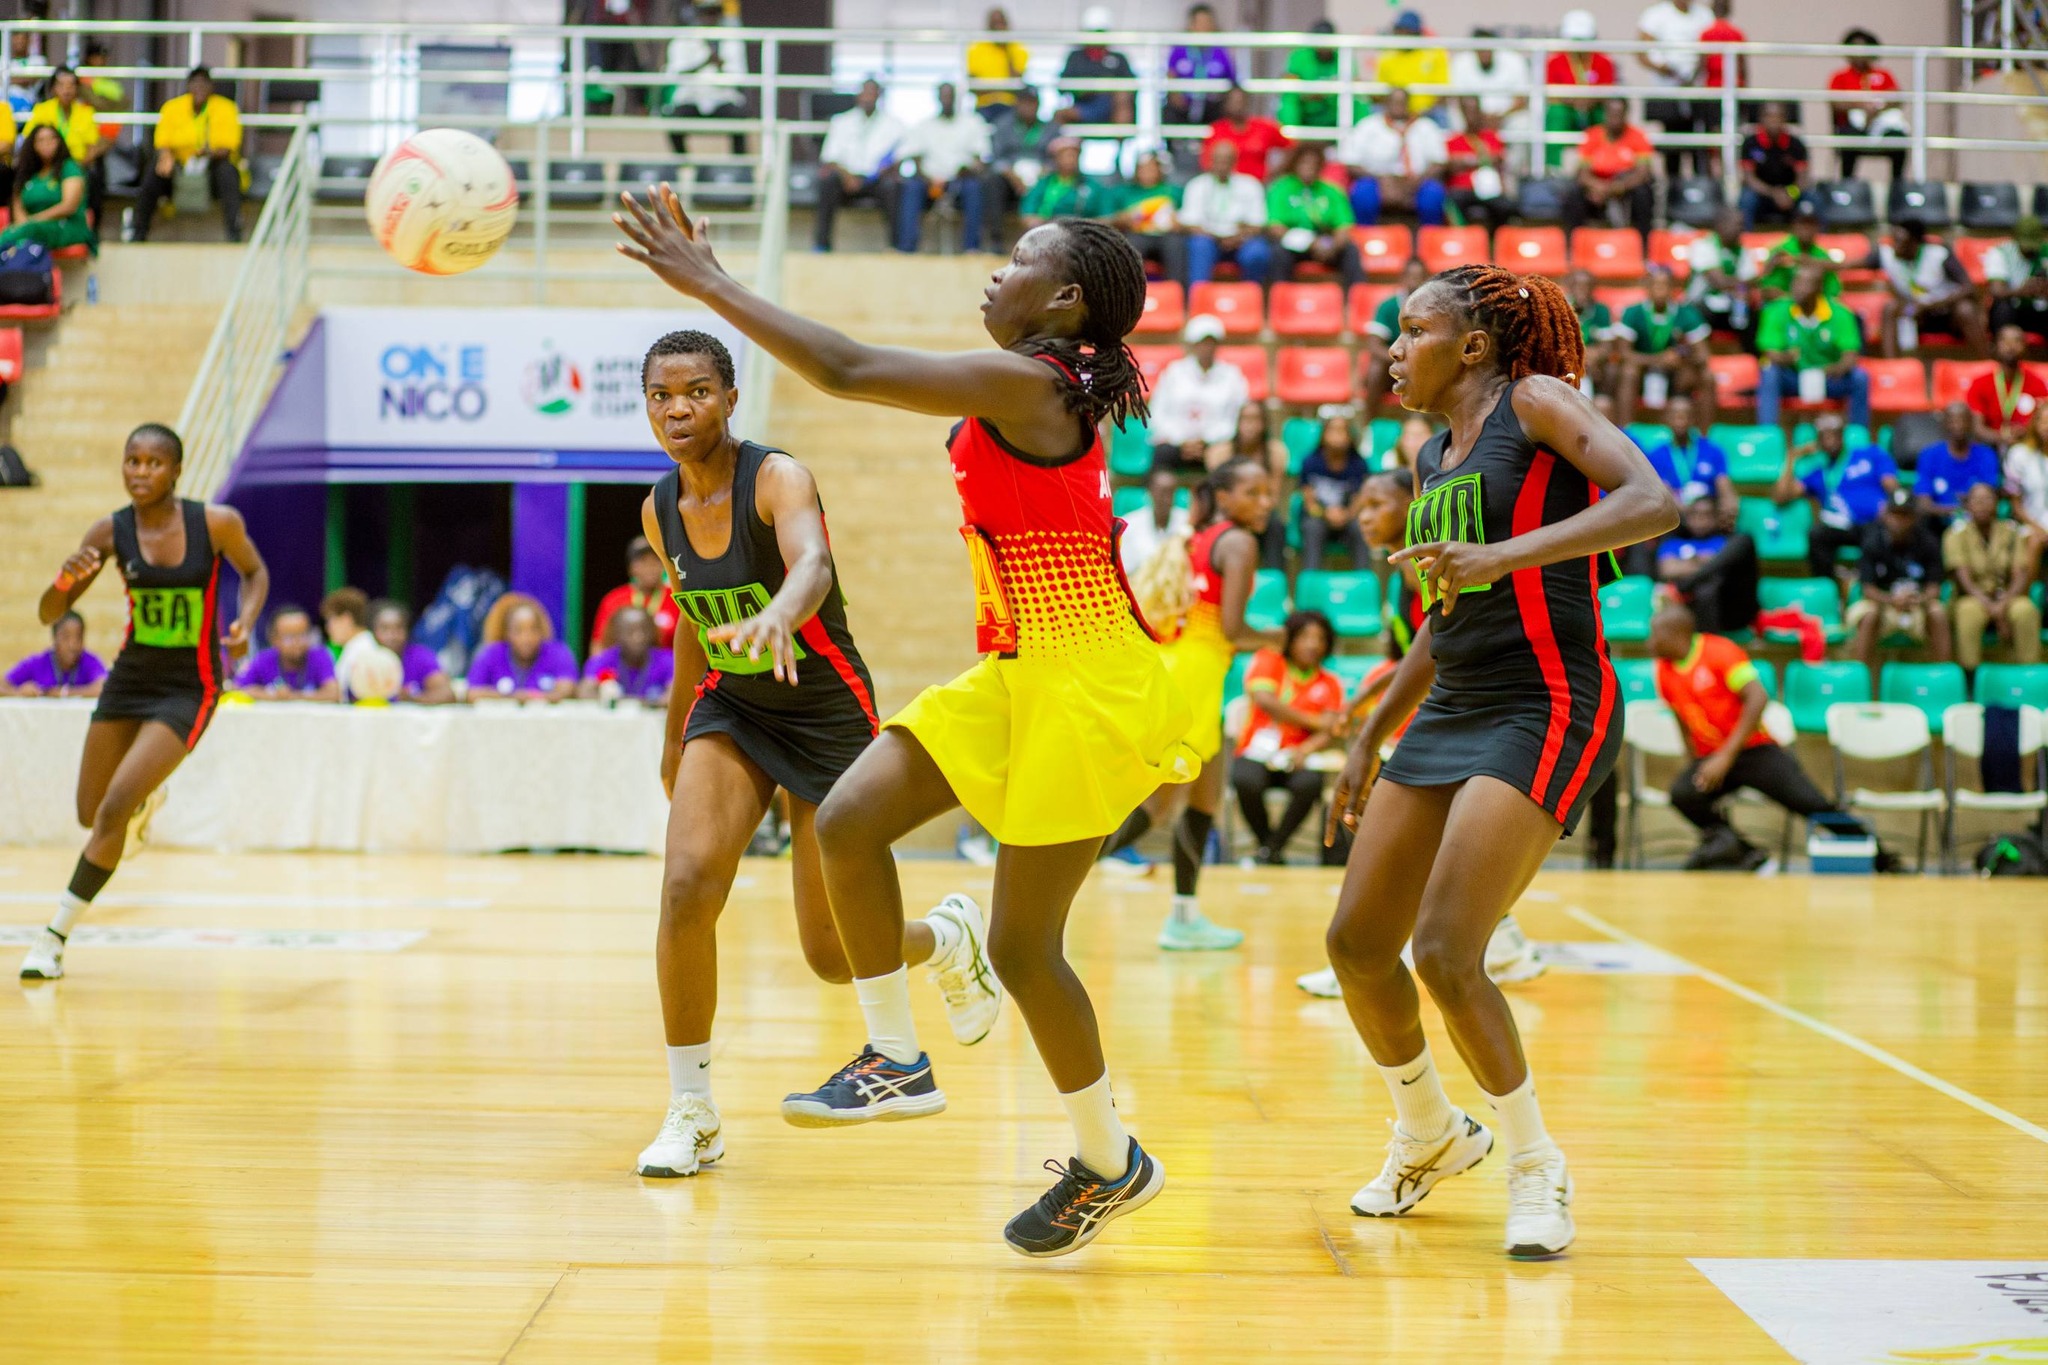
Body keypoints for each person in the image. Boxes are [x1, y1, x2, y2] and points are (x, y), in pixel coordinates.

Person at [616, 189, 1195, 1254]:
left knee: (1025, 951)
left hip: (1085, 681)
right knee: (847, 820)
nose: (996, 270)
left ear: (1065, 299)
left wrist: (710, 283)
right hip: (1018, 669)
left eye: (1018, 258)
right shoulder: (1033, 380)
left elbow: (845, 367)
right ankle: (897, 1057)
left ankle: (1109, 1159)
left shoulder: (1031, 381)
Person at [1321, 265, 1676, 1258]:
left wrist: (1506, 556)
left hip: (1547, 698)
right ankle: (1429, 1131)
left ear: (1471, 345)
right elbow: (1441, 621)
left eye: (1411, 330)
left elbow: (1653, 501)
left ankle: (1534, 1163)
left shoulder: (1536, 402)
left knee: (1443, 949)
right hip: (1454, 702)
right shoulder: (1431, 457)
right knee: (1356, 945)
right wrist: (1368, 736)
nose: (1393, 350)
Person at [621, 327, 998, 1180]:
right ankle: (693, 1109)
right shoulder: (657, 507)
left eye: (697, 392)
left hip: (825, 709)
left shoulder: (778, 477)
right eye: (660, 396)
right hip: (734, 707)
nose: (678, 409)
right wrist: (676, 732)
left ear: (730, 398)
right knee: (685, 886)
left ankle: (945, 936)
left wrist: (781, 613)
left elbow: (814, 563)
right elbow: (691, 624)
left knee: (832, 954)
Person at [18, 423, 268, 982]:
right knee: (90, 812)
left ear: (176, 471)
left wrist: (246, 622)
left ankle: (53, 938)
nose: (141, 471)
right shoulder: (110, 531)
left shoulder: (216, 523)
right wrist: (65, 583)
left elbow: (255, 572)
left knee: (111, 812)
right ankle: (143, 798)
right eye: (132, 461)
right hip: (130, 679)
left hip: (190, 685)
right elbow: (48, 612)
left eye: (154, 463)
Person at [1109, 459, 1279, 949]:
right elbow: (1233, 630)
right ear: (1223, 497)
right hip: (1196, 677)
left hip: (1181, 668)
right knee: (1160, 802)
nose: (1265, 502)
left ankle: (1184, 917)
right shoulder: (1239, 541)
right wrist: (1281, 638)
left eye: (1268, 492)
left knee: (1205, 796)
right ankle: (1052, 885)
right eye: (1253, 492)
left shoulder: (1197, 537)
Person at [1648, 599, 1869, 871]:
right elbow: (1682, 719)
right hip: (1713, 757)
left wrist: (1726, 756)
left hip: (1753, 750)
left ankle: (1880, 856)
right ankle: (1745, 852)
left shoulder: (1720, 652)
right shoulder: (1664, 670)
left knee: (1811, 803)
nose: (1650, 642)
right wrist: (1695, 761)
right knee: (1684, 794)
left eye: (1655, 635)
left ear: (1677, 634)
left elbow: (1758, 697)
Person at [1231, 609, 1344, 863]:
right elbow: (1265, 701)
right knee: (1245, 780)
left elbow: (1330, 730)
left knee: (1310, 784)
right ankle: (1269, 847)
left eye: (1320, 638)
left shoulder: (1330, 683)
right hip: (1257, 752)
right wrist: (1314, 721)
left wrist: (1305, 750)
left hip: (1298, 755)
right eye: (1305, 637)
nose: (1313, 644)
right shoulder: (1269, 660)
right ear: (1290, 639)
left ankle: (1272, 848)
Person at [1847, 487, 1952, 687]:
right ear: (1886, 515)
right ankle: (1858, 682)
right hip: (1883, 603)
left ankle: (1943, 681)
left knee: (1938, 613)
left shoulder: (1928, 542)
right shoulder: (1872, 541)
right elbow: (1867, 589)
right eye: (1894, 514)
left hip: (1917, 604)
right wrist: (1891, 600)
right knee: (1869, 615)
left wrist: (1917, 600)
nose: (1898, 520)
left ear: (1914, 517)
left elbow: (1934, 588)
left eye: (1904, 515)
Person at [1774, 410, 1898, 576]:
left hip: (1874, 522)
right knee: (1816, 534)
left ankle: (1868, 583)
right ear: (1818, 440)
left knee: (1877, 533)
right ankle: (1829, 586)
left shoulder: (1869, 454)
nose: (1829, 440)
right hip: (1841, 526)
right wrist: (1792, 457)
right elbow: (1780, 497)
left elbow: (1892, 486)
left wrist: (1891, 507)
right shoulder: (1819, 473)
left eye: (1833, 434)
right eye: (1823, 436)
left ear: (1842, 435)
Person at [1754, 260, 1870, 429]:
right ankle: (1768, 433)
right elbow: (1770, 353)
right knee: (1770, 373)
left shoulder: (1840, 313)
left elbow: (1850, 357)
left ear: (1819, 288)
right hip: (1794, 376)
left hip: (1828, 378)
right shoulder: (1776, 310)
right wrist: (1787, 358)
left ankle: (1858, 434)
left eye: (1805, 284)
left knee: (1859, 378)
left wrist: (1835, 369)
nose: (1798, 288)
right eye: (1795, 282)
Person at [131, 67, 243, 243]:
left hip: (211, 165)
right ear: (188, 86)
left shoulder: (226, 108)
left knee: (228, 172)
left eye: (204, 84)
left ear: (211, 86)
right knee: (155, 171)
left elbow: (227, 147)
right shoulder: (172, 107)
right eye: (195, 83)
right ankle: (138, 231)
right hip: (179, 165)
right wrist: (166, 156)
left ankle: (234, 233)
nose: (200, 88)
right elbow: (162, 142)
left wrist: (205, 153)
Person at [1946, 482, 2043, 672]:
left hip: (2007, 596)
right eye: (1977, 500)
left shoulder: (2012, 532)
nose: (1982, 505)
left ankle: (2029, 673)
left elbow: (2020, 574)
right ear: (1968, 505)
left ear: (1997, 504)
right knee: (1967, 612)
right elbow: (1962, 578)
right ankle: (1970, 676)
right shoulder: (1956, 534)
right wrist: (1990, 607)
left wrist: (2002, 604)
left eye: (1987, 499)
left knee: (2026, 610)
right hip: (1973, 596)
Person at [893, 82, 995, 254]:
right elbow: (914, 156)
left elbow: (981, 159)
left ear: (956, 98)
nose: (947, 100)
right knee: (911, 187)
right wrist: (928, 178)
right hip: (928, 180)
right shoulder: (924, 125)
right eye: (944, 96)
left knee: (975, 187)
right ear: (938, 98)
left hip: (961, 180)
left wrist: (967, 170)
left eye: (950, 96)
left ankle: (972, 247)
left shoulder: (972, 122)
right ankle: (906, 247)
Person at [1613, 265, 1712, 426]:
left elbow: (1703, 354)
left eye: (1665, 284)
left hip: (1675, 371)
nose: (1660, 289)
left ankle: (1703, 434)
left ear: (1673, 288)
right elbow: (1624, 353)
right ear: (1647, 287)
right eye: (1656, 284)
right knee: (1628, 372)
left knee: (1705, 375)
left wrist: (1683, 359)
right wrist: (1659, 359)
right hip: (1643, 370)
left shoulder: (1687, 313)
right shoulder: (1633, 313)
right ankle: (1626, 431)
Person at [1148, 314, 1248, 473]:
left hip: (1216, 446)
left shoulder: (1232, 375)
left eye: (1211, 342)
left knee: (1226, 459)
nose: (1206, 347)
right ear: (1192, 344)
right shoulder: (1174, 372)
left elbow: (1236, 418)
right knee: (1161, 461)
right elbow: (1157, 414)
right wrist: (1182, 441)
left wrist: (1207, 440)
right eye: (1201, 342)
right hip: (1175, 445)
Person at [813, 80, 902, 253]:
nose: (868, 97)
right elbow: (830, 157)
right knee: (827, 183)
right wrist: (847, 177)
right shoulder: (841, 121)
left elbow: (898, 156)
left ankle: (894, 247)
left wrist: (885, 170)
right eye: (865, 93)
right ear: (858, 95)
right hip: (846, 178)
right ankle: (822, 245)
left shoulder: (893, 124)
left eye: (872, 93)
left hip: (876, 180)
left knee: (893, 186)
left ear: (878, 96)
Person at [1337, 87, 1448, 227]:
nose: (1398, 106)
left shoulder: (1426, 126)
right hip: (1377, 180)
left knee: (1433, 194)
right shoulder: (1368, 126)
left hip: (1418, 181)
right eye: (1394, 102)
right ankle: (1364, 236)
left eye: (1402, 102)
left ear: (1409, 103)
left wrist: (1416, 181)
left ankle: (1430, 237)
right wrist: (1381, 180)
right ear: (1385, 103)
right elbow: (1351, 162)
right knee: (1362, 193)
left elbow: (1439, 162)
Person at [1879, 220, 1988, 359]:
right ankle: (1891, 367)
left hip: (1947, 312)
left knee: (1965, 309)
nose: (1894, 246)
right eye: (1894, 240)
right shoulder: (1889, 255)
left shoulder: (1938, 254)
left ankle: (1987, 362)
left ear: (1914, 243)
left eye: (1900, 241)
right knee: (1890, 308)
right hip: (1919, 315)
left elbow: (1969, 289)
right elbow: (1859, 262)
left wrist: (1932, 304)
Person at [1656, 494, 1758, 634]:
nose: (1700, 520)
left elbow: (1722, 568)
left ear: (1716, 517)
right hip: (1685, 604)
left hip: (1725, 606)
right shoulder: (1674, 542)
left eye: (1706, 515)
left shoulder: (1726, 541)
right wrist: (1702, 561)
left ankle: (1707, 638)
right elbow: (1667, 570)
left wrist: (1688, 565)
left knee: (1744, 541)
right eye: (1695, 514)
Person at [1635, 0, 1714, 179]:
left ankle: (1701, 188)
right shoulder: (1655, 15)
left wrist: (1693, 76)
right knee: (1672, 146)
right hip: (1667, 91)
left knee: (1699, 146)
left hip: (1696, 90)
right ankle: (1672, 189)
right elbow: (1642, 52)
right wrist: (1664, 69)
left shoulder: (1704, 15)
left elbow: (1708, 51)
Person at [1561, 98, 1655, 247]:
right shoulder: (1593, 135)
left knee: (1643, 193)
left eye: (1619, 114)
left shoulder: (1637, 136)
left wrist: (1619, 187)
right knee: (1573, 194)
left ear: (1626, 114)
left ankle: (1643, 246)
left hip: (1626, 188)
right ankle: (1572, 246)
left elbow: (1643, 173)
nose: (1615, 118)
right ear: (1605, 114)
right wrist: (1598, 187)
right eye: (1612, 114)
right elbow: (1582, 173)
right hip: (1597, 187)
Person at [1265, 143, 1362, 288]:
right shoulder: (1281, 188)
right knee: (1278, 252)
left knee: (1350, 251)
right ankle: (1281, 295)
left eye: (1314, 164)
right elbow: (1275, 227)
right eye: (1304, 162)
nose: (1309, 167)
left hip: (1325, 242)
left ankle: (1356, 296)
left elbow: (1344, 226)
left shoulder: (1332, 190)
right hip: (1293, 241)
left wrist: (1333, 246)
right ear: (1295, 164)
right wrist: (1309, 243)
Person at [658, 0, 748, 157]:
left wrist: (720, 67)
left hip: (722, 97)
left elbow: (739, 77)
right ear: (697, 15)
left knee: (739, 116)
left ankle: (738, 165)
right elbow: (675, 74)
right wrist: (704, 63)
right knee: (674, 118)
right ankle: (683, 162)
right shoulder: (684, 39)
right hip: (692, 96)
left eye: (714, 13)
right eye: (705, 13)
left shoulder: (732, 39)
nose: (709, 17)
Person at [1178, 137, 1271, 285]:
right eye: (1218, 160)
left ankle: (1252, 296)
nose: (1222, 165)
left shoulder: (1250, 184)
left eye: (1226, 160)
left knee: (1257, 251)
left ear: (1235, 161)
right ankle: (1197, 295)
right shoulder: (1196, 185)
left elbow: (1258, 224)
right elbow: (1190, 223)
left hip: (1242, 241)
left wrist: (1237, 237)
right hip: (1209, 240)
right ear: (1210, 160)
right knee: (1199, 245)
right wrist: (1217, 237)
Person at [26, 66, 108, 227]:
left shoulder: (85, 112)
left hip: (77, 165)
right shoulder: (42, 110)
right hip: (45, 166)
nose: (67, 90)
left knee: (96, 174)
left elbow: (92, 148)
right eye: (62, 85)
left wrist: (74, 168)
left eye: (71, 85)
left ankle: (91, 229)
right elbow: (30, 143)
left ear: (77, 89)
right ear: (53, 88)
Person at [0, 123, 96, 256]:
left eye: (52, 138)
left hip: (65, 226)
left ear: (60, 142)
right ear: (32, 145)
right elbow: (18, 208)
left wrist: (33, 220)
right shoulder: (27, 173)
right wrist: (25, 225)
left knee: (25, 232)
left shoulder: (69, 167)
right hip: (30, 228)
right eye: (41, 140)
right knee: (15, 233)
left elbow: (68, 206)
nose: (47, 143)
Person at [1827, 29, 1908, 182]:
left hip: (1880, 125)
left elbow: (1896, 98)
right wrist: (1860, 106)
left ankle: (1897, 186)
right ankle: (1848, 185)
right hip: (1853, 127)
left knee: (1899, 138)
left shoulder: (1883, 74)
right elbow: (1836, 103)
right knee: (1848, 139)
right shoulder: (1840, 77)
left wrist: (1877, 109)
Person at [1543, 10, 1617, 172]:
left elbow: (1608, 92)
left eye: (1583, 40)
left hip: (1593, 109)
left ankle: (1605, 166)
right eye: (1575, 40)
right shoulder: (1555, 61)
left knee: (1605, 115)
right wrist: (1574, 100)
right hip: (1568, 109)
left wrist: (1589, 100)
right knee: (1557, 113)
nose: (1579, 45)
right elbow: (1551, 94)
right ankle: (1553, 168)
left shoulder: (1603, 61)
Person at [1297, 412, 1372, 569]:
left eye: (1342, 430)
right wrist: (1326, 514)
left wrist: (1346, 515)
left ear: (1350, 436)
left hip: (1348, 519)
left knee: (1360, 527)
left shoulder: (1359, 464)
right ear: (1323, 435)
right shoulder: (1310, 462)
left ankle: (1364, 577)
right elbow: (1309, 502)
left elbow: (1359, 501)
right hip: (1319, 517)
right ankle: (1310, 577)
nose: (1338, 435)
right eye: (1333, 430)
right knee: (1312, 527)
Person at [466, 598, 579, 701]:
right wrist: (515, 697)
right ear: (507, 633)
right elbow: (472, 693)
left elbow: (567, 690)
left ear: (541, 631)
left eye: (533, 630)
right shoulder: (491, 654)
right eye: (518, 631)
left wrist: (530, 697)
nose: (526, 638)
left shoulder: (558, 653)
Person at [1101, 149, 1186, 285]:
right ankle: (1128, 288)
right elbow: (1107, 219)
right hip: (1136, 234)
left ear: (1160, 169)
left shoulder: (1174, 191)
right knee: (1130, 245)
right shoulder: (1123, 192)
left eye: (1152, 168)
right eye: (1143, 168)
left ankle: (1177, 290)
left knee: (1176, 245)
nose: (1147, 172)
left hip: (1167, 235)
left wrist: (1179, 221)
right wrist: (1122, 219)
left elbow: (1187, 216)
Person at [1448, 30, 1530, 166]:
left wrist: (1501, 116)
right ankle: (1465, 168)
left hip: (1504, 117)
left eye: (1488, 49)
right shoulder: (1461, 63)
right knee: (1455, 119)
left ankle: (1513, 169)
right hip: (1472, 117)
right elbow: (1458, 100)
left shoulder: (1514, 61)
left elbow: (1521, 100)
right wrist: (1479, 118)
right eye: (1481, 49)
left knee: (1523, 124)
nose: (1485, 53)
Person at [1644, 393, 1733, 516]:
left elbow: (1723, 484)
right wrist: (1689, 513)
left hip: (1710, 514)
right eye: (1675, 416)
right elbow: (1663, 491)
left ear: (1694, 419)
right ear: (1665, 419)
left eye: (1685, 415)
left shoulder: (1713, 450)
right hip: (1677, 516)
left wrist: (1729, 504)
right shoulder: (1656, 455)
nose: (1680, 421)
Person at [589, 534, 680, 653]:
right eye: (643, 561)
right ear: (630, 567)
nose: (650, 567)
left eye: (656, 560)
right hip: (623, 664)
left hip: (668, 664)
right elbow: (599, 645)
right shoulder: (614, 599)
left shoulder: (676, 597)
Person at [1362, 259, 1432, 411]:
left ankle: (1438, 423)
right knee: (1375, 369)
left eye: (1419, 277)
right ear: (1402, 278)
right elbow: (1374, 346)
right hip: (1393, 366)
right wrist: (1402, 360)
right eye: (1411, 276)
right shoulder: (1388, 306)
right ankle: (1368, 420)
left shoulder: (1434, 309)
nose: (1415, 281)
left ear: (1426, 280)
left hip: (1424, 365)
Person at [1914, 401, 2004, 517]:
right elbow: (1923, 502)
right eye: (1952, 421)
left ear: (1971, 424)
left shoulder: (1986, 455)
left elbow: (1988, 499)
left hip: (1977, 521)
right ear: (1944, 424)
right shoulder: (1929, 455)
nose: (1958, 426)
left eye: (1963, 420)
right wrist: (1957, 512)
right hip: (1938, 521)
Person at [1965, 325, 2048, 449]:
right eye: (2005, 341)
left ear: (2025, 347)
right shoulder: (1980, 384)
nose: (2011, 346)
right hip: (1990, 446)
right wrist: (2002, 438)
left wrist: (2024, 432)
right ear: (1995, 346)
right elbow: (1978, 429)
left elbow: (2043, 425)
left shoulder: (2037, 384)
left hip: (2026, 446)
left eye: (2016, 341)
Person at [235, 605, 340, 700]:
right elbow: (237, 688)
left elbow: (334, 693)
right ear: (274, 639)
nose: (297, 642)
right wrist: (272, 695)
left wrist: (293, 696)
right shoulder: (263, 659)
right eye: (289, 638)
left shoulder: (320, 656)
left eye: (303, 635)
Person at [985, 88, 1052, 236]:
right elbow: (996, 158)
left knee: (1057, 182)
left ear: (1039, 105)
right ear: (1017, 104)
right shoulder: (1002, 125)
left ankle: (1050, 237)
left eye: (1032, 103)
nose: (1029, 107)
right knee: (992, 181)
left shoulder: (1051, 128)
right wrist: (1013, 177)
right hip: (1011, 178)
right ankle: (996, 238)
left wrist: (1042, 174)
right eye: (1025, 103)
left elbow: (1054, 160)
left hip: (1041, 178)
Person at [1685, 206, 1757, 341]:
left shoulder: (1742, 250)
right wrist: (1743, 283)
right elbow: (1719, 282)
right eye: (1737, 224)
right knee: (1696, 315)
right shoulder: (1703, 245)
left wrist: (1742, 288)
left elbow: (1751, 282)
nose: (1741, 229)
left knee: (1753, 315)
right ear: (1721, 225)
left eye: (1742, 224)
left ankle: (1748, 353)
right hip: (1701, 304)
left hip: (1728, 305)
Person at [577, 605, 675, 702]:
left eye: (644, 630)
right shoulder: (603, 659)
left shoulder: (668, 660)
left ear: (653, 632)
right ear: (617, 634)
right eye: (630, 631)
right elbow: (584, 692)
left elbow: (674, 695)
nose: (638, 637)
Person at [1058, 7, 1136, 126]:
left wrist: (1108, 87)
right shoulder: (1075, 58)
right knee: (1060, 115)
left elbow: (1130, 88)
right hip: (1083, 105)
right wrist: (1085, 89)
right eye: (1092, 32)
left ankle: (1120, 135)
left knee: (1123, 102)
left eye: (1100, 32)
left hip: (1111, 107)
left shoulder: (1119, 58)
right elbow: (1062, 86)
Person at [1737, 102, 1808, 231]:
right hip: (1762, 194)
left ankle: (1819, 239)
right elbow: (1749, 179)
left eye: (1778, 116)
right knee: (1747, 199)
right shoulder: (1750, 143)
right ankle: (1745, 237)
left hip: (1789, 194)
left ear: (1785, 119)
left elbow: (1802, 179)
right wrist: (1773, 193)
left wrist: (1790, 193)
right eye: (1769, 116)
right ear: (1761, 119)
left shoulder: (1796, 144)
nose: (1774, 121)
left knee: (1813, 199)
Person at [570, 0, 650, 114]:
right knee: (602, 73)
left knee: (635, 71)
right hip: (604, 25)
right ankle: (602, 110)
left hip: (630, 26)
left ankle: (640, 108)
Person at [1443, 106, 1512, 233]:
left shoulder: (1491, 137)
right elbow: (1452, 164)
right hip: (1462, 189)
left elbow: (1498, 159)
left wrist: (1466, 160)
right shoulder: (1454, 140)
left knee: (1505, 205)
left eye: (1474, 112)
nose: (1472, 117)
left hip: (1489, 190)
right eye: (1468, 112)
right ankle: (1462, 236)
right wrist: (1482, 159)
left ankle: (1496, 238)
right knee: (1453, 201)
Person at [3, 611, 106, 698]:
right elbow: (2, 685)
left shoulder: (89, 661)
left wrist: (64, 692)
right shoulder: (37, 663)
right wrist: (18, 692)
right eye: (66, 637)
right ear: (54, 638)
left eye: (78, 638)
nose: (72, 645)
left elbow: (104, 688)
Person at [369, 599, 454, 704]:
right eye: (385, 629)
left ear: (407, 630)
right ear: (373, 632)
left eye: (398, 628)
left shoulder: (420, 657)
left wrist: (412, 698)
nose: (392, 636)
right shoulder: (363, 659)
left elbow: (447, 694)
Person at [1164, 4, 1236, 127]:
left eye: (1207, 22)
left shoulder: (1221, 52)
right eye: (1199, 22)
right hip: (1184, 105)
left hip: (1212, 105)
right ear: (1191, 25)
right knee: (1169, 113)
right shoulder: (1179, 50)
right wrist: (1176, 96)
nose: (1203, 27)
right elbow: (1171, 76)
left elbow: (1231, 81)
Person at [1754, 199, 1836, 303]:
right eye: (1802, 223)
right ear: (1794, 224)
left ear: (1818, 226)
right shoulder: (1780, 251)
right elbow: (1768, 290)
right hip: (1784, 308)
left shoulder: (1822, 254)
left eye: (1811, 223)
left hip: (1815, 310)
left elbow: (1833, 293)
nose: (1806, 228)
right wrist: (1797, 303)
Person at [1201, 85, 1287, 184]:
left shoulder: (1264, 127)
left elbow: (1292, 147)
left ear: (1247, 103)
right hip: (1226, 186)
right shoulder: (1217, 129)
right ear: (1226, 104)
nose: (1238, 106)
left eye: (1241, 101)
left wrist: (1275, 172)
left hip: (1259, 185)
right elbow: (1207, 163)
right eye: (1234, 101)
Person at [1376, 11, 1450, 121]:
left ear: (1417, 32)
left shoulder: (1434, 54)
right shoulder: (1387, 56)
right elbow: (1381, 95)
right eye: (1399, 30)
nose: (1402, 35)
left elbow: (1442, 94)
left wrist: (1420, 115)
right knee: (1375, 113)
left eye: (1406, 30)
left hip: (1427, 114)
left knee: (1440, 115)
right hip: (1395, 113)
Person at [1118, 466, 1193, 576]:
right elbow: (1125, 570)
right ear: (1150, 492)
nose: (1166, 499)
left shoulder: (1187, 521)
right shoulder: (1129, 525)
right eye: (1161, 493)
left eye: (1170, 493)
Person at [1985, 217, 2048, 340]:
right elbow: (1996, 291)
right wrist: (2022, 291)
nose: (2029, 250)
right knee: (2002, 307)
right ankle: (2002, 348)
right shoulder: (2001, 253)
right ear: (2015, 238)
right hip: (2013, 312)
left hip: (2040, 311)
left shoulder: (2045, 252)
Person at [1018, 138, 1103, 226]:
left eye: (1074, 155)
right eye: (1065, 156)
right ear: (1055, 158)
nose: (1070, 160)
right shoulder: (1042, 184)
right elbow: (1028, 212)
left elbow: (1104, 217)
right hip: (1046, 228)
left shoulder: (1092, 186)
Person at [1564, 267, 1618, 397]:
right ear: (1570, 288)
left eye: (1587, 286)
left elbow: (1607, 347)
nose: (1582, 289)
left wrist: (1595, 355)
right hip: (1568, 359)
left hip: (1594, 362)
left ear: (1593, 288)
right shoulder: (1560, 308)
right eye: (1578, 285)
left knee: (1611, 369)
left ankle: (1603, 403)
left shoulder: (1601, 310)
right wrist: (1582, 357)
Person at [965, 8, 1029, 116]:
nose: (998, 28)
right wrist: (1000, 90)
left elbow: (1017, 82)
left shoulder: (1019, 49)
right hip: (983, 106)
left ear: (1007, 25)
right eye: (994, 24)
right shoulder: (975, 49)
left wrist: (1006, 49)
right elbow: (974, 86)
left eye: (1001, 23)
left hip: (1010, 106)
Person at [1278, 21, 1340, 130]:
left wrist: (1323, 92)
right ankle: (1289, 135)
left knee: (1355, 97)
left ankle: (1354, 135)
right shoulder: (1300, 56)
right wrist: (1315, 91)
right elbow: (1289, 78)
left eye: (1326, 40)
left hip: (1331, 109)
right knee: (1290, 95)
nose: (1323, 45)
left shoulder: (1342, 57)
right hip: (1305, 107)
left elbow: (1352, 80)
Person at [1210, 398, 1289, 484]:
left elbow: (1274, 489)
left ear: (1265, 424)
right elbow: (1218, 488)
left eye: (1256, 419)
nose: (1250, 425)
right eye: (1245, 418)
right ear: (1237, 422)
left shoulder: (1276, 452)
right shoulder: (1219, 453)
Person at [2006, 403, 2048, 543]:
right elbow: (2015, 503)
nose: (2046, 427)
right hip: (2029, 522)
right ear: (2034, 424)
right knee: (2035, 539)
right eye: (2043, 422)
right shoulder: (2019, 455)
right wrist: (2037, 527)